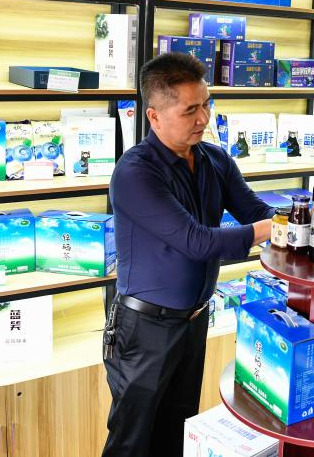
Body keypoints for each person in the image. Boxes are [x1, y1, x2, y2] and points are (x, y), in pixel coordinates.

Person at [102, 52, 273, 457]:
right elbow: (197, 242)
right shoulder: (135, 172)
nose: (204, 118)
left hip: (193, 321)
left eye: (207, 105)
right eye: (190, 110)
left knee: (177, 432)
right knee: (132, 442)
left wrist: (296, 219)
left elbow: (255, 211)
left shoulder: (215, 160)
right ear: (155, 116)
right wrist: (275, 229)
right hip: (145, 329)